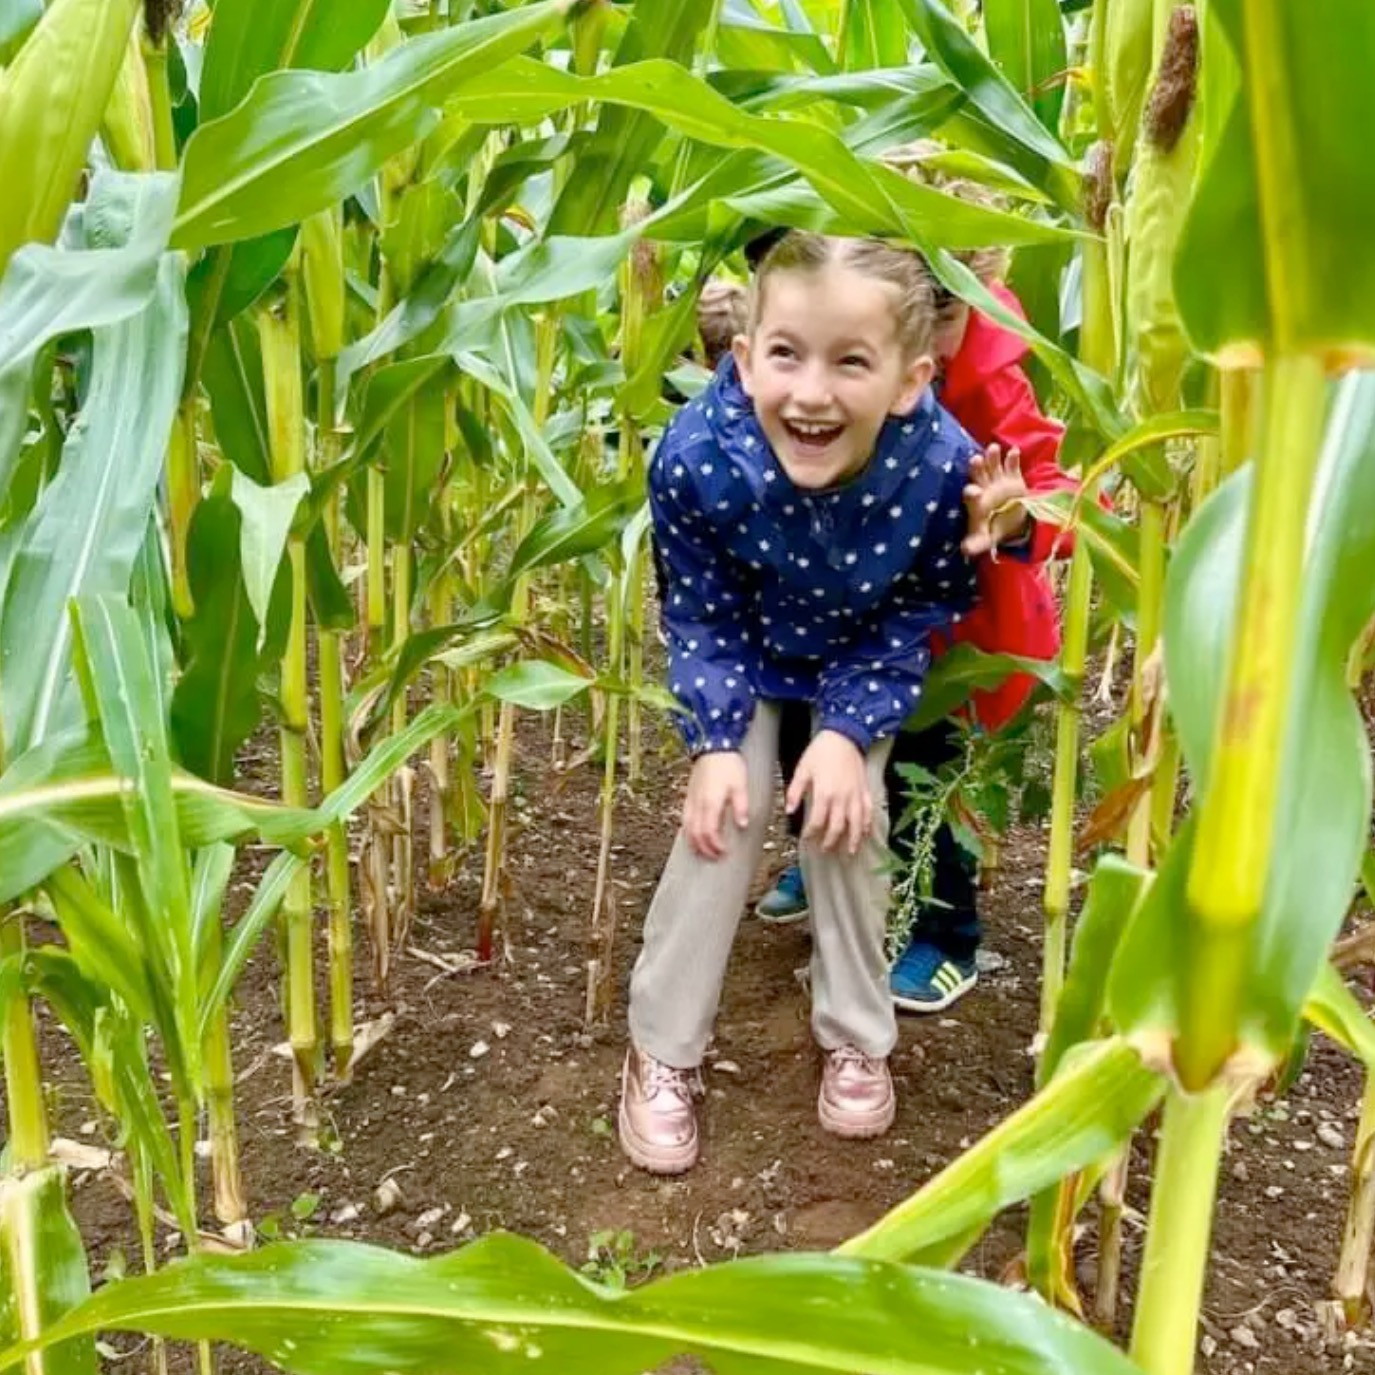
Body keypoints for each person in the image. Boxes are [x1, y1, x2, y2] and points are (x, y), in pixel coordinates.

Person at [619, 231, 1027, 1175]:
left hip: (855, 655)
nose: (810, 392)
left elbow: (916, 609)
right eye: (785, 355)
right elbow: (702, 613)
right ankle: (662, 1048)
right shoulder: (694, 459)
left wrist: (845, 732)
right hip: (746, 655)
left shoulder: (936, 469)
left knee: (851, 817)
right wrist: (718, 742)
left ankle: (856, 1032)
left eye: (852, 362)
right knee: (726, 817)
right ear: (743, 353)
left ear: (908, 379)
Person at [755, 187, 1075, 1016]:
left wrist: (1010, 516)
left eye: (938, 327)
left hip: (958, 631)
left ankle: (945, 936)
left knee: (930, 774)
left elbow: (1062, 498)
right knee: (808, 731)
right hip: (845, 607)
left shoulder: (991, 384)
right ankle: (818, 856)